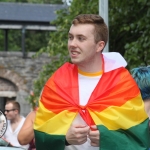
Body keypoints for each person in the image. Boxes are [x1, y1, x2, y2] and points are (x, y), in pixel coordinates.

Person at [34, 14, 150, 150]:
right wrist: (64, 138)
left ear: (99, 45)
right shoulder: (57, 82)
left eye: (81, 38)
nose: (72, 44)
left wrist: (108, 139)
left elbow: (139, 140)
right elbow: (40, 136)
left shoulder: (122, 84)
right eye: (70, 37)